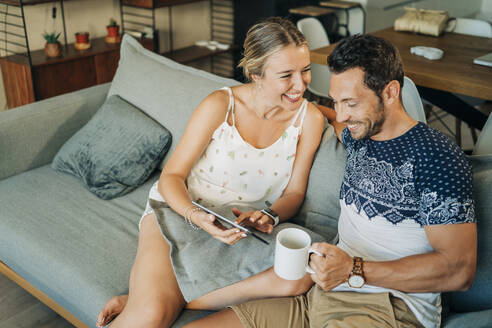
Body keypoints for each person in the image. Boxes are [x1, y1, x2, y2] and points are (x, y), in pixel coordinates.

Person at [185, 34, 477, 328]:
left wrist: (354, 268)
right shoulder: (358, 133)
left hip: (388, 307)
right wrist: (293, 107)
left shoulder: (438, 158)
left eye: (350, 103)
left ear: (390, 92)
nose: (341, 114)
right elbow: (331, 118)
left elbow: (458, 271)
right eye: (336, 101)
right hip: (322, 294)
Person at [96, 17, 325, 328]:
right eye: (286, 75)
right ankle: (147, 299)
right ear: (255, 74)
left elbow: (295, 192)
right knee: (150, 317)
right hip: (181, 211)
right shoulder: (220, 105)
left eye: (305, 70)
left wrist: (269, 216)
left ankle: (147, 293)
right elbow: (171, 177)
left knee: (298, 276)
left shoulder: (308, 120)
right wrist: (195, 215)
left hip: (239, 231)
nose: (300, 84)